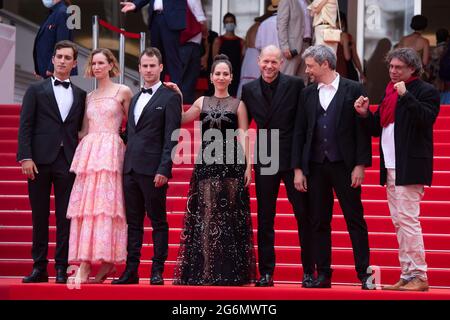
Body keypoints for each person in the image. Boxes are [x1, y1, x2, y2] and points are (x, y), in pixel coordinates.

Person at [354, 48, 440, 291]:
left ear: (412, 69)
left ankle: (420, 276)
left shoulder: (425, 91)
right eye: (391, 67)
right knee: (399, 222)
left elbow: (426, 119)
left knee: (408, 221)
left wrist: (407, 96)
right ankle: (407, 273)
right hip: (391, 166)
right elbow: (380, 128)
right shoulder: (390, 91)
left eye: (398, 67)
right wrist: (364, 114)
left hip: (410, 165)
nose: (393, 71)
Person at [292, 45, 373, 289]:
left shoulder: (353, 88)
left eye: (310, 66)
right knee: (318, 221)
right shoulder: (307, 93)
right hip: (316, 166)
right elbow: (299, 132)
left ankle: (364, 274)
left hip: (344, 165)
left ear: (325, 64)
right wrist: (298, 169)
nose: (307, 70)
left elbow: (362, 132)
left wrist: (360, 165)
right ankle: (323, 274)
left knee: (354, 219)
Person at [173, 54, 256, 285]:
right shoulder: (201, 102)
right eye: (217, 73)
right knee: (207, 218)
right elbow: (180, 119)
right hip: (208, 164)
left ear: (231, 78)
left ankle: (230, 272)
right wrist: (179, 95)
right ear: (211, 77)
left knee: (229, 217)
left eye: (225, 74)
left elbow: (243, 135)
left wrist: (248, 165)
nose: (221, 77)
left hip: (232, 163)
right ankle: (208, 270)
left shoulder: (239, 104)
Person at [241, 45, 314, 287]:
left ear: (281, 63)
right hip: (265, 156)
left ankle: (308, 272)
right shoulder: (249, 89)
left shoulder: (294, 85)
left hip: (291, 154)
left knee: (303, 215)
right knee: (265, 218)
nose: (269, 66)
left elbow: (303, 125)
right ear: (258, 61)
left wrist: (299, 167)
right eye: (265, 62)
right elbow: (240, 126)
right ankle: (266, 273)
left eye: (274, 62)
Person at [112, 47, 182, 285]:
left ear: (161, 67)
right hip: (130, 169)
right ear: (139, 68)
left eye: (153, 65)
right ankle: (131, 270)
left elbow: (172, 137)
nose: (149, 70)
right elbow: (130, 134)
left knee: (158, 221)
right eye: (145, 66)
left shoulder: (170, 97)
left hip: (154, 171)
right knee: (133, 223)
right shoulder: (133, 99)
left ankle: (157, 271)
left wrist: (164, 169)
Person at [17, 40, 86, 283]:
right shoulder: (35, 90)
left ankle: (60, 267)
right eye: (59, 56)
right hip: (38, 161)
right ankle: (39, 267)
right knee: (39, 216)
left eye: (68, 58)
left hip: (67, 161)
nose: (62, 61)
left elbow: (79, 129)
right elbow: (25, 125)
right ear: (53, 59)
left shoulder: (80, 94)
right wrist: (25, 157)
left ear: (74, 63)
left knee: (64, 218)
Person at [66, 48, 133, 284]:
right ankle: (86, 262)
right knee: (88, 207)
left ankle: (106, 261)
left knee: (107, 206)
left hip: (112, 151)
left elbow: (134, 124)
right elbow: (84, 129)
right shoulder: (90, 96)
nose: (97, 67)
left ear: (110, 65)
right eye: (93, 63)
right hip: (90, 152)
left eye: (101, 62)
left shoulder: (123, 91)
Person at [120, 0, 186, 85]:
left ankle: (176, 92)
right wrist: (136, 4)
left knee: (172, 58)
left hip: (172, 17)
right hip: (155, 18)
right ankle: (157, 89)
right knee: (156, 57)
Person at [33, 0, 77, 79]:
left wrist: (52, 68)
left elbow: (63, 44)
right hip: (47, 71)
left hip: (55, 72)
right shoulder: (53, 13)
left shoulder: (62, 13)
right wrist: (38, 68)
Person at [179, 0, 208, 104]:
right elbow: (202, 22)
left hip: (179, 44)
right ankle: (185, 111)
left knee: (179, 79)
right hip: (192, 44)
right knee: (189, 82)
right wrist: (205, 31)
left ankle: (177, 110)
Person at [277, 0, 312, 80]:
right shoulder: (286, 1)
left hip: (307, 45)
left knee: (303, 80)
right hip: (292, 47)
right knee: (287, 79)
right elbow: (281, 25)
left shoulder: (308, 3)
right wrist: (284, 47)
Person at [212, 13, 244, 97]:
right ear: (224, 24)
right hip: (222, 75)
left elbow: (241, 59)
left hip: (236, 75)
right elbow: (214, 59)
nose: (229, 24)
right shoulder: (218, 40)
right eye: (227, 22)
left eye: (231, 21)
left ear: (235, 23)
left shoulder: (241, 41)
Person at [336, 11, 365, 83]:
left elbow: (348, 57)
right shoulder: (346, 36)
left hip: (338, 71)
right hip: (347, 72)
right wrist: (361, 73)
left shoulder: (328, 38)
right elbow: (353, 57)